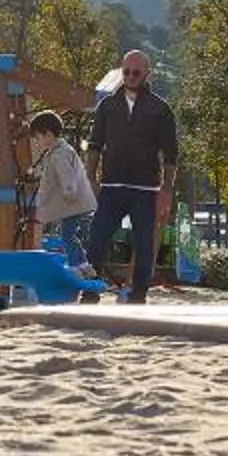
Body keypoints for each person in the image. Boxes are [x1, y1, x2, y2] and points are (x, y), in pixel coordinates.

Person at [86, 49, 178, 304]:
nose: (130, 77)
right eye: (126, 72)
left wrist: (166, 189)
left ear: (147, 74)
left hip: (145, 188)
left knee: (145, 245)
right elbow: (95, 145)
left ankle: (139, 295)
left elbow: (171, 154)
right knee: (97, 239)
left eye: (136, 73)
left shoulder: (160, 109)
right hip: (111, 185)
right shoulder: (107, 107)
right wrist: (90, 178)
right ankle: (90, 291)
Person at [26, 109, 96, 283]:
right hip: (72, 203)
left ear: (48, 135)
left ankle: (77, 266)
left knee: (67, 235)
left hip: (71, 203)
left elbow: (67, 176)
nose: (37, 142)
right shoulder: (58, 152)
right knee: (68, 234)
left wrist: (68, 193)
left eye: (38, 138)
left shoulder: (60, 154)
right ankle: (83, 265)